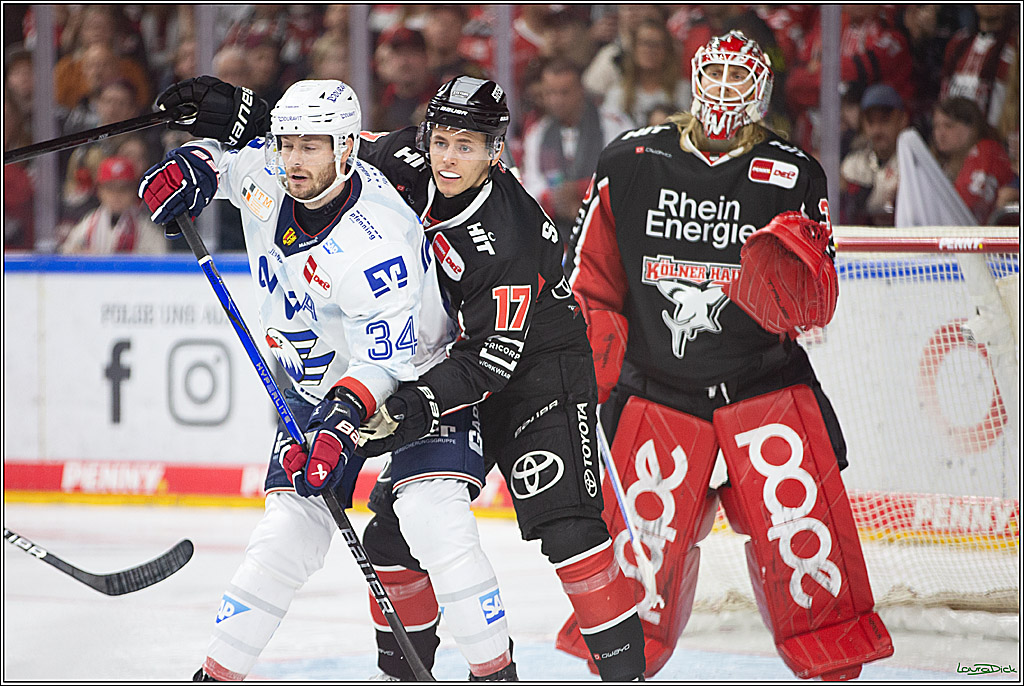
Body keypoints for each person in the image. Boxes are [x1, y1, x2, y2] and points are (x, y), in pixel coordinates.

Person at [136, 76, 512, 681]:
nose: (292, 159)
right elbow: (231, 166)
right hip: (318, 392)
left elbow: (382, 363)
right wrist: (192, 170)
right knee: (286, 532)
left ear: (345, 149)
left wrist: (341, 425)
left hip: (414, 382)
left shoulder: (377, 238)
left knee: (432, 518)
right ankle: (216, 673)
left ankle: (495, 672)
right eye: (287, 144)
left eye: (310, 146)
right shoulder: (274, 175)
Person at [561, 31, 894, 680]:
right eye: (712, 74)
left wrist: (797, 274)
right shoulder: (630, 160)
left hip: (762, 384)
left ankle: (833, 667)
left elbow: (815, 307)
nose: (723, 89)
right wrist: (591, 366)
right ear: (693, 79)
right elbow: (591, 277)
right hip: (658, 389)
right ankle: (623, 664)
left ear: (763, 90)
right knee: (640, 560)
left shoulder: (794, 173)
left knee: (805, 545)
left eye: (739, 77)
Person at [355, 75, 647, 682]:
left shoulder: (508, 235)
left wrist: (409, 409)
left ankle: (627, 676)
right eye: (442, 141)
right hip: (458, 362)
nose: (448, 158)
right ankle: (404, 674)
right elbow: (329, 147)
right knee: (392, 536)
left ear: (495, 150)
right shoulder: (410, 157)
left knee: (569, 527)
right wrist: (234, 121)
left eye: (467, 145)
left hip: (539, 371)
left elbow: (492, 364)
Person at [520, 58, 633, 246]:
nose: (556, 100)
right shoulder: (537, 133)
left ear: (581, 90)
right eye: (550, 93)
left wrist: (580, 190)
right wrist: (557, 198)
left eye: (564, 93)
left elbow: (627, 177)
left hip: (608, 229)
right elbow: (532, 186)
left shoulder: (614, 124)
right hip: (556, 234)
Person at [931, 95, 1015, 224]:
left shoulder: (988, 151)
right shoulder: (940, 162)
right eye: (936, 126)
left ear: (971, 128)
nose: (940, 134)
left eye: (948, 126)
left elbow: (967, 208)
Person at [61, 156, 166, 254]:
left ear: (134, 190)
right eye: (110, 188)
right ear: (100, 190)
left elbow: (160, 265)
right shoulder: (86, 225)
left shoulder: (147, 230)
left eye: (123, 188)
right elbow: (66, 258)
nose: (116, 194)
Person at [839, 84, 910, 226]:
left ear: (902, 120)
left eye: (884, 121)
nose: (877, 130)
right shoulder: (852, 165)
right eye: (871, 122)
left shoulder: (912, 167)